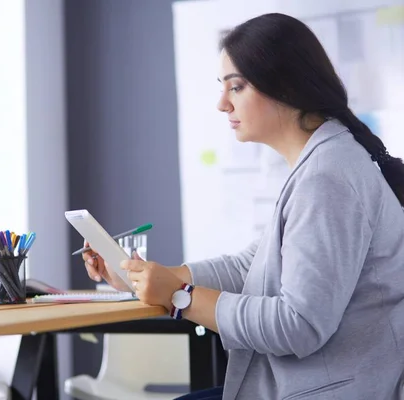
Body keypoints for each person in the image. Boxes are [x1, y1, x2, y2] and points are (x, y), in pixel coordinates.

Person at [82, 12, 404, 400]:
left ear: (284, 86)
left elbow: (298, 325)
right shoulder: (318, 165)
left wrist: (180, 296)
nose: (221, 104)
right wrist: (151, 278)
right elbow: (248, 266)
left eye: (235, 88)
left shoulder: (327, 178)